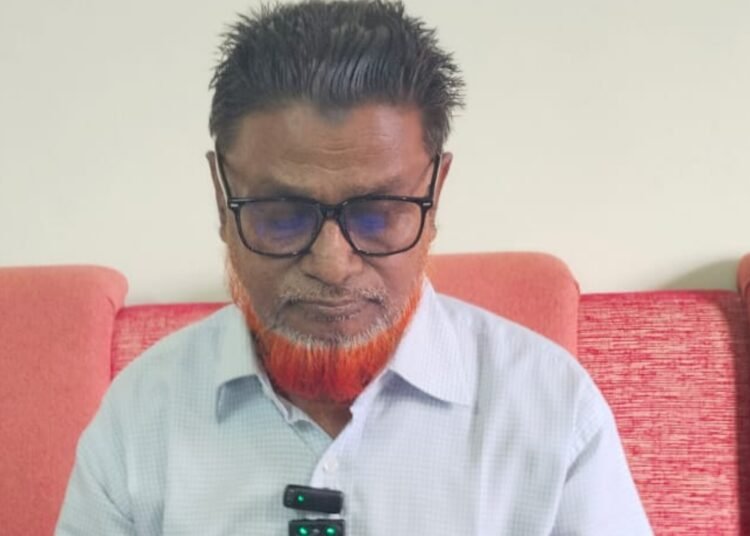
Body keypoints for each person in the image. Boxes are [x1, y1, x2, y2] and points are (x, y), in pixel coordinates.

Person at [56, 1, 651, 534]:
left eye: (377, 214)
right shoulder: (142, 415)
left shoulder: (553, 411)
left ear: (435, 195)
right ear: (221, 198)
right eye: (283, 215)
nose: (332, 265)